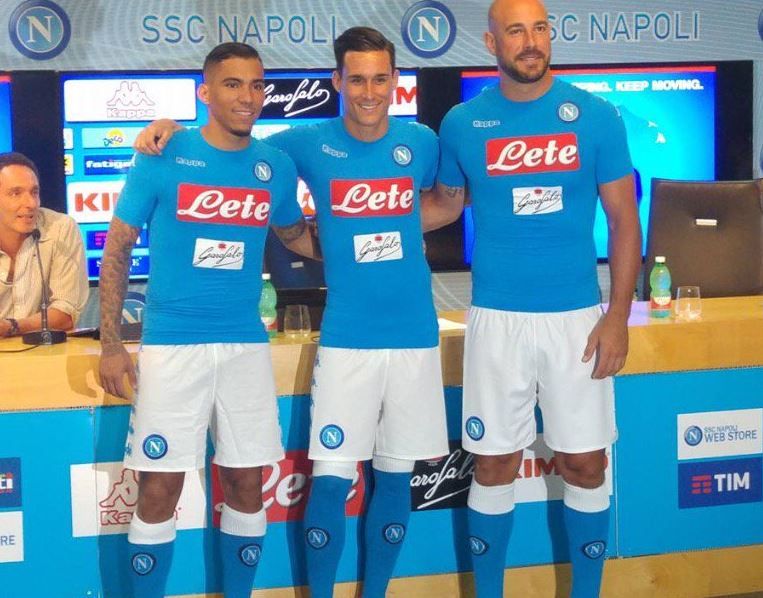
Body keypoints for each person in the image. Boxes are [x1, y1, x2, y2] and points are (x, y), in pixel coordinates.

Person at [135, 27, 450, 598]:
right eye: (357, 79)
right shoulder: (303, 143)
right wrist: (170, 128)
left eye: (380, 79)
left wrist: (393, 227)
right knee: (330, 482)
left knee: (396, 477)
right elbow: (234, 142)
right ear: (337, 81)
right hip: (346, 335)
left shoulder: (422, 142)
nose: (370, 91)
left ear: (396, 81)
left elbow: (446, 202)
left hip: (415, 333)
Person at [428, 0, 642, 596]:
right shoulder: (463, 124)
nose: (531, 41)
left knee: (585, 464)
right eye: (516, 31)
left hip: (577, 320)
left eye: (540, 28)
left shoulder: (596, 116)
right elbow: (443, 205)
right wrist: (355, 223)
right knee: (494, 463)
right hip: (496, 320)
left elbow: (624, 221)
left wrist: (617, 316)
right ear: (491, 43)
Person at [98, 42, 316, 598]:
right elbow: (118, 247)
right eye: (232, 84)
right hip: (172, 346)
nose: (248, 97)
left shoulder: (274, 166)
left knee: (247, 484)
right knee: (158, 489)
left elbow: (298, 237)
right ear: (206, 92)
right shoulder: (163, 152)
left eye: (256, 85)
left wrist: (374, 242)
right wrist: (111, 344)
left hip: (244, 346)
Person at [0, 151, 88, 338]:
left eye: (34, 192)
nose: (31, 203)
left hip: (43, 351)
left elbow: (66, 314)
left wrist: (12, 327)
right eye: (16, 193)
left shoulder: (60, 228)